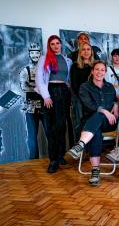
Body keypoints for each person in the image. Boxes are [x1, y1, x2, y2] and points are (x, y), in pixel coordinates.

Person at [67, 61, 119, 186]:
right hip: (89, 122)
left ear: (105, 72)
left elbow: (115, 101)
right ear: (92, 71)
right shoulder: (85, 87)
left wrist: (116, 105)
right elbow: (89, 105)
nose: (99, 72)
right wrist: (104, 111)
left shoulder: (110, 87)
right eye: (97, 69)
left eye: (102, 70)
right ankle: (95, 171)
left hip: (108, 122)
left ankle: (80, 145)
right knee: (96, 130)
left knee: (100, 117)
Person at [35, 35, 72, 173]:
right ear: (49, 46)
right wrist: (46, 96)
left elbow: (67, 79)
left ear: (61, 44)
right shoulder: (44, 59)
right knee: (52, 127)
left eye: (57, 43)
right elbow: (39, 78)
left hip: (64, 92)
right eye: (52, 44)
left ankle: (61, 155)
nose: (55, 46)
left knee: (62, 126)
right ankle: (53, 160)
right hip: (51, 92)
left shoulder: (66, 60)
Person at [19, 42, 47, 159]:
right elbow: (24, 88)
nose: (35, 55)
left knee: (50, 133)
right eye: (32, 52)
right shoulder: (25, 70)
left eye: (37, 52)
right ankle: (33, 160)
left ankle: (54, 158)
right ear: (29, 54)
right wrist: (39, 88)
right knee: (32, 136)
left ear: (40, 53)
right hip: (31, 107)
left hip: (45, 106)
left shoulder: (46, 68)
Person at [70, 42, 95, 143]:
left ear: (91, 52)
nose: (86, 52)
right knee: (79, 123)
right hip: (79, 100)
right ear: (80, 52)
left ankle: (92, 149)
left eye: (88, 49)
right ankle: (79, 150)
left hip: (94, 99)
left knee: (92, 122)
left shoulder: (95, 66)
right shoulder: (75, 66)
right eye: (83, 49)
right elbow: (75, 86)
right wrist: (85, 99)